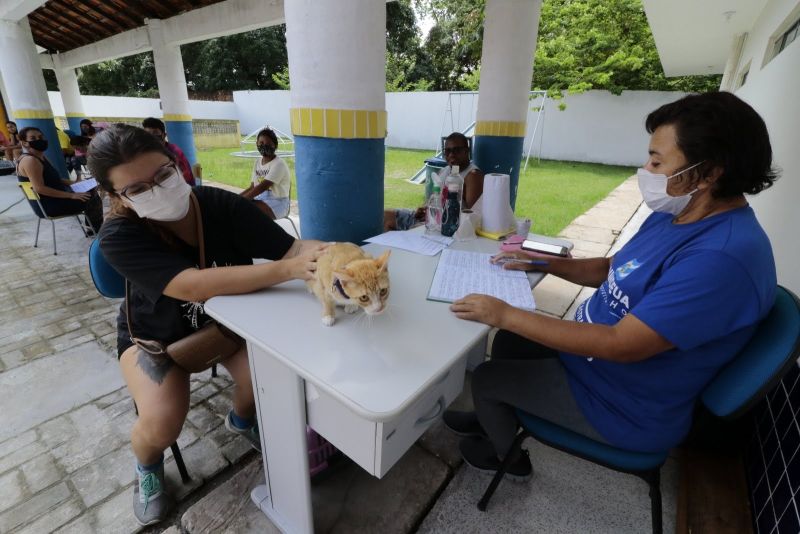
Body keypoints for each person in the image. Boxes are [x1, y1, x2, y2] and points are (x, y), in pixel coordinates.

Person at [443, 92, 778, 479]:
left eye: (657, 161)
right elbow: (611, 268)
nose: (645, 169)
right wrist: (543, 263)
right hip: (594, 365)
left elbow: (621, 345)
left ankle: (509, 459)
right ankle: (493, 417)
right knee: (508, 342)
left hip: (622, 404)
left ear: (709, 173)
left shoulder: (723, 258)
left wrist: (504, 313)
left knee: (488, 377)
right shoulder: (679, 211)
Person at [89, 124, 327, 526]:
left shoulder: (218, 205)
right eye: (138, 188)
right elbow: (192, 285)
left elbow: (291, 249)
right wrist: (289, 270)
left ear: (176, 163)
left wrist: (335, 254)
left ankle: (241, 419)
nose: (158, 189)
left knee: (267, 382)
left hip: (225, 326)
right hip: (154, 340)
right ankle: (148, 466)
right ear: (116, 197)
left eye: (163, 174)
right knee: (162, 423)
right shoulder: (119, 235)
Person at [384, 132, 484, 231]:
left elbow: (471, 217)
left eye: (456, 150)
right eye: (447, 151)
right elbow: (435, 197)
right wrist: (424, 207)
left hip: (443, 226)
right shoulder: (445, 170)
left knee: (409, 232)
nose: (451, 155)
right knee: (385, 217)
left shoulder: (472, 176)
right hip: (428, 218)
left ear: (466, 151)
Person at [15, 126, 103, 232]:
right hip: (49, 205)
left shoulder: (41, 157)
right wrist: (72, 195)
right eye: (33, 138)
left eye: (40, 137)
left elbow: (56, 179)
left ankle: (93, 229)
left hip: (54, 198)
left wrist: (75, 183)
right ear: (24, 143)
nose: (39, 140)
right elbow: (39, 188)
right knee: (92, 197)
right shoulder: (30, 161)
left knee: (91, 189)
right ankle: (96, 231)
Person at [239, 127, 291, 219]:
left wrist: (241, 202)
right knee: (241, 209)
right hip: (261, 198)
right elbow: (252, 187)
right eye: (261, 143)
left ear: (275, 146)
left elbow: (262, 187)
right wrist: (236, 198)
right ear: (257, 144)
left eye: (268, 144)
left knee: (246, 211)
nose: (264, 146)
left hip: (278, 202)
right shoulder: (257, 162)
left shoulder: (279, 164)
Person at [142, 117, 196, 186]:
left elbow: (186, 177)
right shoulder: (145, 154)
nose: (152, 137)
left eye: (155, 133)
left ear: (164, 135)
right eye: (148, 134)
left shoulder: (174, 152)